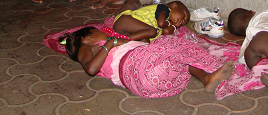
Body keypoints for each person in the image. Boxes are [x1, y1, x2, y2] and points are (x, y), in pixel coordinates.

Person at [60, 26, 235, 98]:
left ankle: (207, 78)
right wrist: (110, 42)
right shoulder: (87, 47)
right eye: (98, 32)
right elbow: (90, 69)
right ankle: (213, 66)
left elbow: (142, 47)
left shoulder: (111, 45)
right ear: (88, 37)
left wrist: (137, 40)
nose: (104, 33)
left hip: (153, 79)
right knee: (171, 43)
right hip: (138, 71)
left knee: (179, 57)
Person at [113, 0, 190, 41]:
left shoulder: (168, 22)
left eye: (183, 23)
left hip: (130, 29)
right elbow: (161, 23)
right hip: (125, 20)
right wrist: (169, 24)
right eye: (183, 16)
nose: (182, 21)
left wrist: (173, 27)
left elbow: (166, 32)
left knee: (145, 42)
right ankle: (124, 40)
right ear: (174, 5)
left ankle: (126, 39)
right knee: (152, 31)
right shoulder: (164, 9)